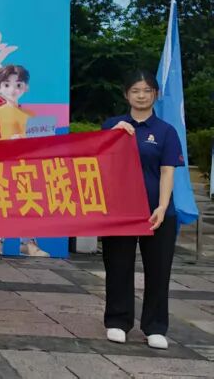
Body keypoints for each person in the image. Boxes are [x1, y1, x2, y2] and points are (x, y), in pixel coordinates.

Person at [101, 71, 183, 350]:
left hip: (157, 213)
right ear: (127, 95)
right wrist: (112, 136)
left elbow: (167, 171)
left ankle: (155, 327)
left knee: (159, 270)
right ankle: (117, 321)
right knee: (118, 266)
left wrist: (162, 206)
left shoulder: (165, 131)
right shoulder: (112, 125)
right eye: (135, 90)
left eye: (147, 90)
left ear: (155, 95)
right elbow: (98, 162)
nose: (141, 95)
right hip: (120, 211)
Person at [0, 64, 49, 257]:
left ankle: (29, 242)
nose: (13, 89)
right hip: (1, 169)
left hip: (26, 169)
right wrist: (8, 142)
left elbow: (42, 145)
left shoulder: (32, 116)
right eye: (7, 85)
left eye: (18, 84)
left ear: (25, 87)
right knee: (0, 204)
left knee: (28, 204)